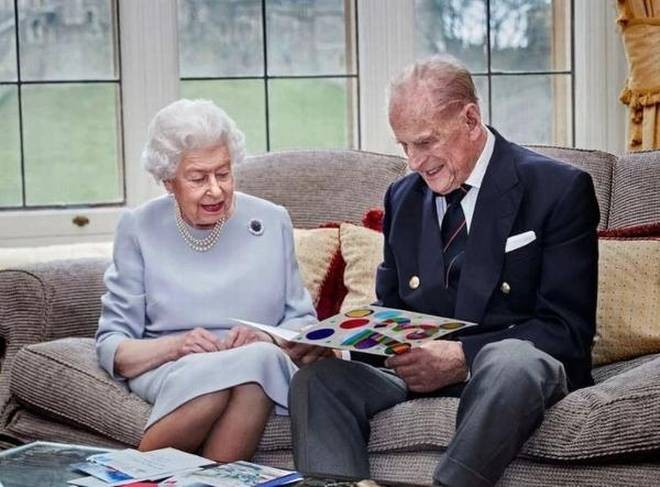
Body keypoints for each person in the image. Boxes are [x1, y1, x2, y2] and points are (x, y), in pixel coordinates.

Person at [289, 57, 600, 486]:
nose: (415, 162)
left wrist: (462, 358)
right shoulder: (403, 197)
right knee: (319, 380)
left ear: (470, 119)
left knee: (511, 362)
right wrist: (339, 346)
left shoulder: (558, 189)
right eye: (404, 146)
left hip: (506, 374)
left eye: (425, 142)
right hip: (418, 374)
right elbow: (392, 310)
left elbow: (567, 330)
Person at [96, 98, 325, 462]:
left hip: (259, 360)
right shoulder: (138, 227)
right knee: (232, 380)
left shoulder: (271, 220)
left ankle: (129, 476)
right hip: (171, 365)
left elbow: (302, 322)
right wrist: (177, 346)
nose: (216, 190)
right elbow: (113, 346)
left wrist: (265, 336)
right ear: (169, 181)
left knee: (256, 366)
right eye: (199, 178)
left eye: (223, 173)